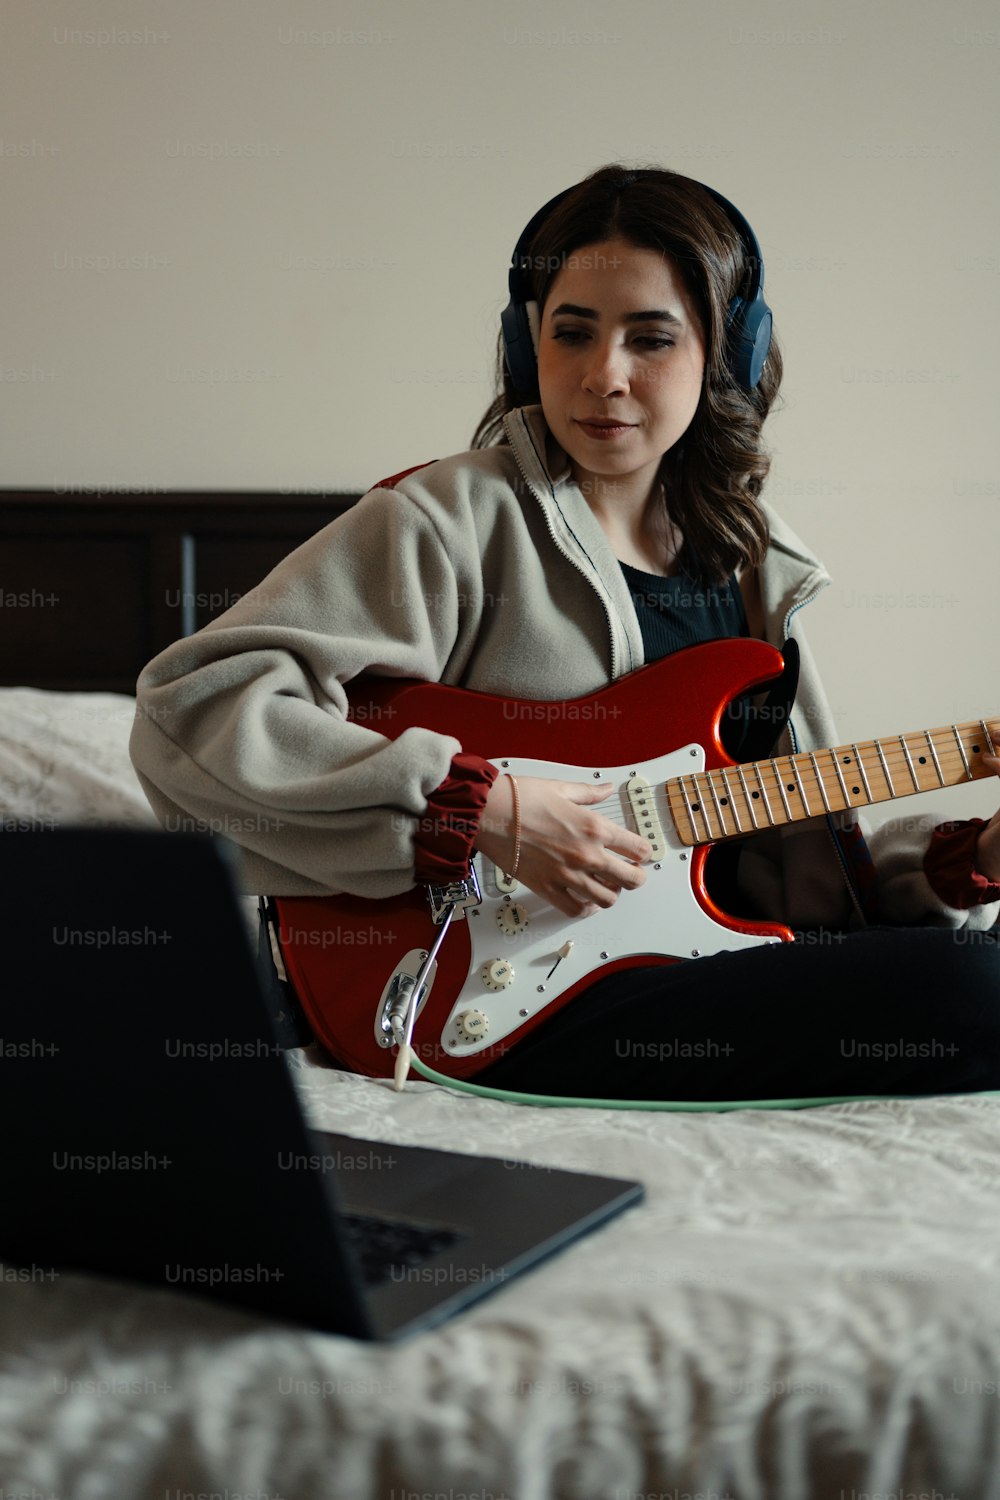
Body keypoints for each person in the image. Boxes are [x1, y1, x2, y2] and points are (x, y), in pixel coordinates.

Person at [129, 164, 1000, 1102]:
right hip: (489, 998)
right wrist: (480, 810)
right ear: (525, 343)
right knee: (975, 992)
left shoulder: (756, 563)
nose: (604, 376)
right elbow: (190, 710)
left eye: (651, 339)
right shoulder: (446, 518)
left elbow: (793, 881)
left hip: (688, 968)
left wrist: (964, 865)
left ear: (727, 355)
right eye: (572, 331)